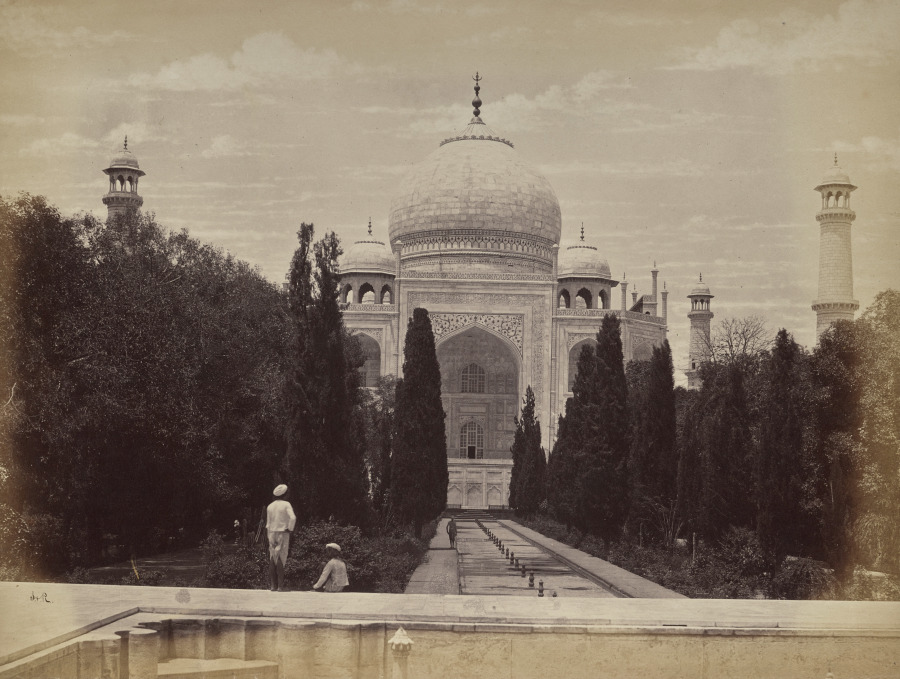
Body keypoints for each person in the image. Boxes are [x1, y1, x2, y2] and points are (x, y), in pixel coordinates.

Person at [266, 484, 296, 592]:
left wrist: (268, 535)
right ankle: (280, 586)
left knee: (272, 557)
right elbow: (292, 517)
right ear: (285, 494)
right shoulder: (286, 504)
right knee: (281, 558)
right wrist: (290, 528)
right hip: (282, 532)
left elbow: (268, 523)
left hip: (271, 532)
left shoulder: (270, 506)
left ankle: (273, 585)